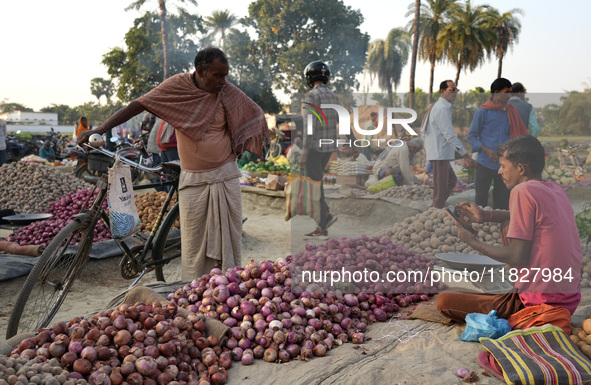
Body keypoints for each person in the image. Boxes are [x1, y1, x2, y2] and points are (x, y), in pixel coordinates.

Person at [78, 47, 268, 281]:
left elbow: (255, 115)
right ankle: (196, 289)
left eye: (225, 75)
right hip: (194, 179)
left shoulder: (228, 93)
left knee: (228, 240)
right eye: (217, 75)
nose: (223, 81)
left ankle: (226, 288)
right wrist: (101, 128)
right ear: (200, 71)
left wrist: (241, 142)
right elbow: (140, 104)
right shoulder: (178, 86)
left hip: (225, 177)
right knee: (194, 242)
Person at [436, 135, 582, 322]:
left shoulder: (522, 191)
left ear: (521, 169)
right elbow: (531, 219)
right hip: (569, 301)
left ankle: (522, 304)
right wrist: (486, 216)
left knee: (444, 300)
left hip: (541, 305)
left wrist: (472, 242)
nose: (499, 172)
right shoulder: (555, 189)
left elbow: (517, 256)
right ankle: (520, 292)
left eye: (503, 166)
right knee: (506, 225)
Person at [467, 78, 527, 210]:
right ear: (496, 92)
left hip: (505, 164)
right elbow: (471, 137)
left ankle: (500, 228)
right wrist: (486, 150)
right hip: (485, 163)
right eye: (506, 92)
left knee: (503, 201)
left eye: (510, 92)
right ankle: (479, 228)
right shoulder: (482, 112)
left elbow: (518, 135)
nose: (509, 96)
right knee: (480, 201)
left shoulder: (510, 111)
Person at [300, 60, 343, 239]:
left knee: (315, 186)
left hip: (315, 148)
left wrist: (304, 152)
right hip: (328, 147)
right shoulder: (334, 96)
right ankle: (322, 226)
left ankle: (325, 216)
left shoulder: (311, 96)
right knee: (318, 184)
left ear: (309, 77)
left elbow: (310, 125)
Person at [421, 80, 475, 208]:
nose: (455, 93)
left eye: (456, 90)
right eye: (451, 90)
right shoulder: (441, 108)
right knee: (441, 188)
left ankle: (437, 206)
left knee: (451, 181)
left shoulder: (435, 106)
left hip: (440, 153)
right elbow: (449, 134)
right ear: (442, 91)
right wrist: (465, 155)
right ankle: (436, 209)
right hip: (440, 154)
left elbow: (423, 130)